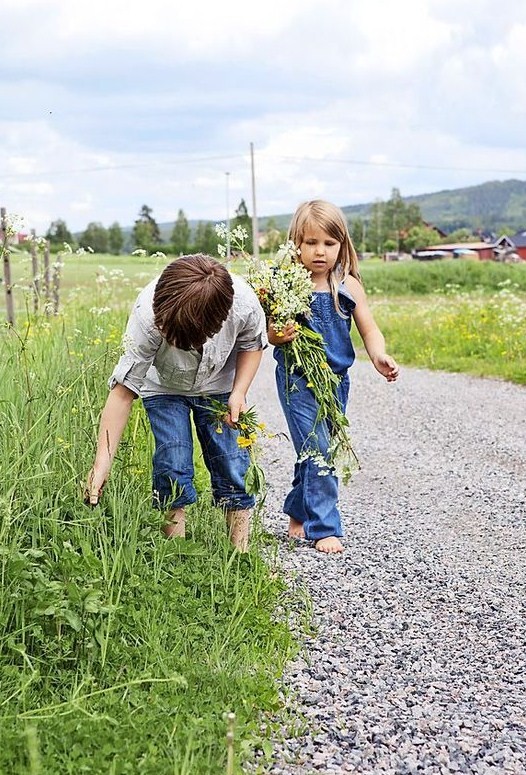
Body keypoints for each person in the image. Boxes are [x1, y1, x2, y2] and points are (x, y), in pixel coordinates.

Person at [85, 254, 268, 552]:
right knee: (173, 462)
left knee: (232, 461)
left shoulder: (244, 304)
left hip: (219, 385)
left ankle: (241, 553)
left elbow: (252, 344)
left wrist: (239, 392)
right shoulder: (147, 315)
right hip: (164, 386)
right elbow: (122, 392)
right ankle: (176, 553)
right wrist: (102, 462)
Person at [268, 200, 399, 554]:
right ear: (296, 243)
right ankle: (324, 527)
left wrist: (378, 355)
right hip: (297, 379)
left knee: (316, 447)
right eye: (310, 243)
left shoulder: (349, 286)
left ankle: (298, 509)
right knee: (318, 450)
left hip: (336, 382)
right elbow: (271, 332)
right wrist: (279, 335)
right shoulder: (286, 285)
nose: (319, 252)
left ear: (342, 245)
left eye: (329, 243)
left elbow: (369, 330)